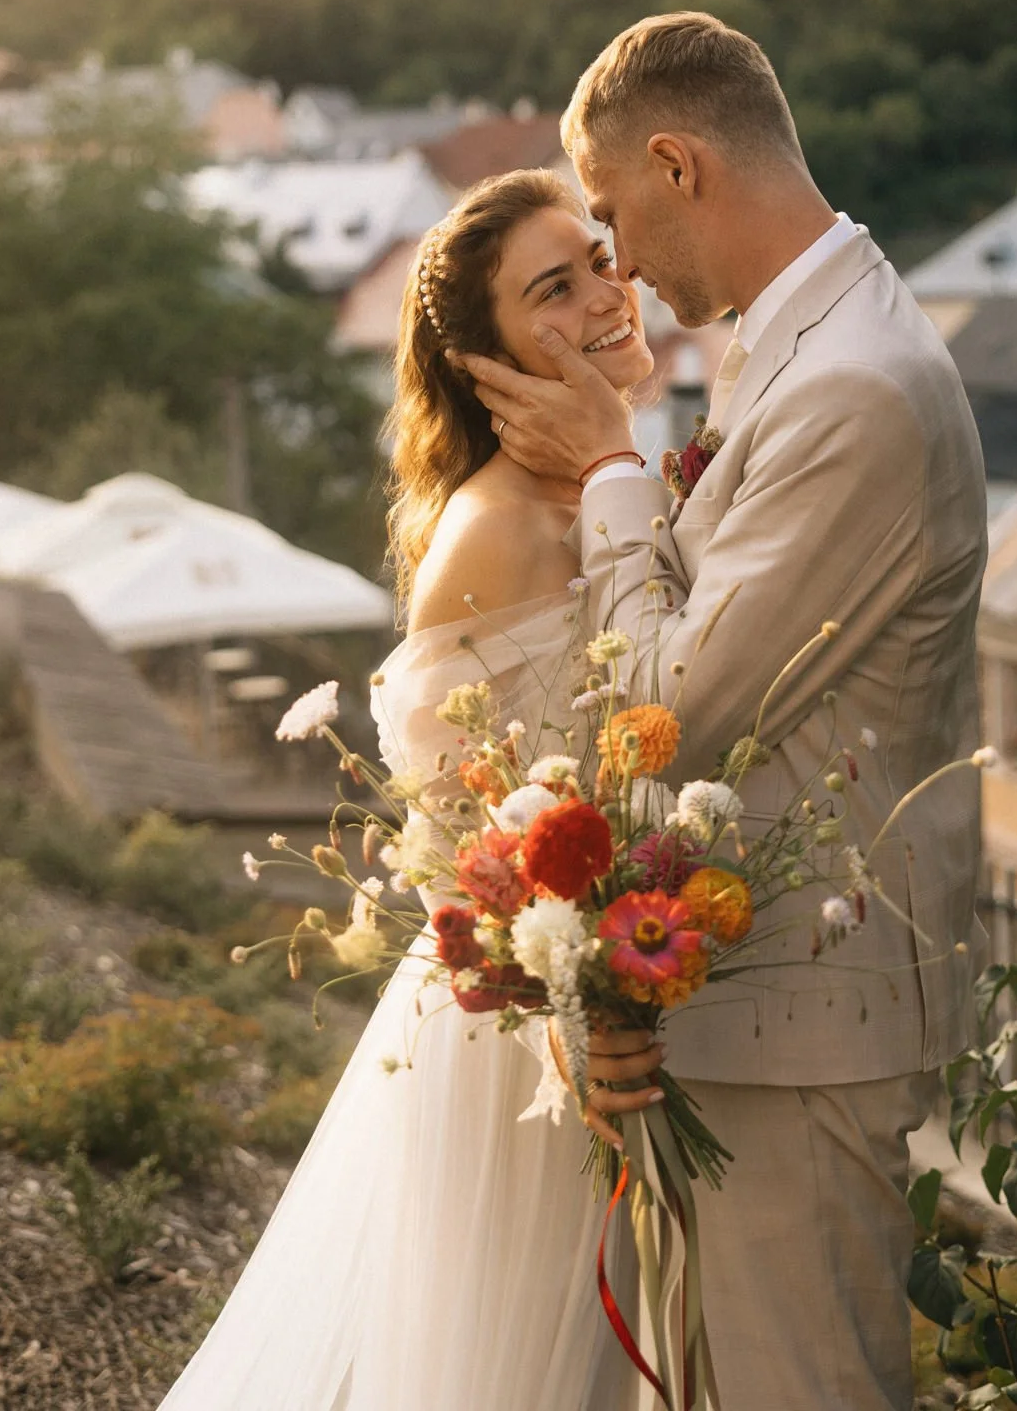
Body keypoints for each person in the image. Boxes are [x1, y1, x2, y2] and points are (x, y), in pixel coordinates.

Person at [455, 11, 990, 1411]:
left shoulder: (854, 387)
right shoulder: (800, 341)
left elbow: (667, 710)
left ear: (678, 166)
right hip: (735, 1012)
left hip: (801, 1029)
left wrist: (610, 471)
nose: (619, 265)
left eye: (613, 215)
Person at [155, 169, 654, 1411]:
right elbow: (452, 836)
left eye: (599, 260)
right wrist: (572, 1016)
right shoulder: (499, 530)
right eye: (555, 289)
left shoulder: (611, 483)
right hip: (535, 1042)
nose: (606, 295)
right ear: (487, 367)